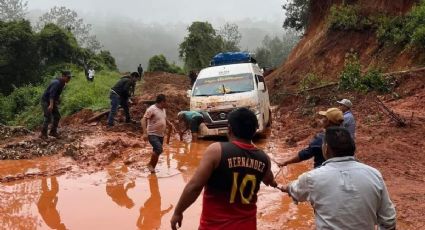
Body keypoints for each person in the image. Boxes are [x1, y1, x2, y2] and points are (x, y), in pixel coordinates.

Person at [170, 108, 278, 230]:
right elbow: (269, 179)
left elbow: (195, 187)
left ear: (229, 129)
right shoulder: (264, 158)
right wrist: (276, 184)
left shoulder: (216, 151)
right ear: (255, 130)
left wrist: (178, 212)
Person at [280, 127, 396, 230]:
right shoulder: (374, 174)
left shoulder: (311, 178)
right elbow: (389, 221)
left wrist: (283, 187)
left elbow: (295, 190)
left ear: (325, 149)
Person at [279, 108, 344, 168]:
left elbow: (304, 155)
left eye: (324, 118)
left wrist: (286, 162)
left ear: (328, 121)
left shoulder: (321, 139)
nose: (322, 120)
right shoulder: (346, 137)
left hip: (322, 171)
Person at [142, 94, 175, 173]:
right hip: (152, 134)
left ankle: (152, 168)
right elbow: (143, 120)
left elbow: (164, 118)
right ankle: (150, 164)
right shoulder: (151, 109)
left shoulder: (163, 109)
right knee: (159, 149)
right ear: (162, 102)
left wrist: (169, 124)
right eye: (166, 102)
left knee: (157, 151)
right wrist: (145, 133)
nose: (167, 104)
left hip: (160, 135)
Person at [40, 70, 72, 139]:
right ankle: (43, 134)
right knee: (48, 117)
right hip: (46, 101)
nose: (69, 79)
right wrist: (51, 105)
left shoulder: (63, 83)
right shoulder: (56, 83)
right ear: (63, 76)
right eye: (68, 77)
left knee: (57, 116)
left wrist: (57, 101)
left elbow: (56, 94)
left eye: (70, 78)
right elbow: (52, 94)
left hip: (52, 101)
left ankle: (53, 132)